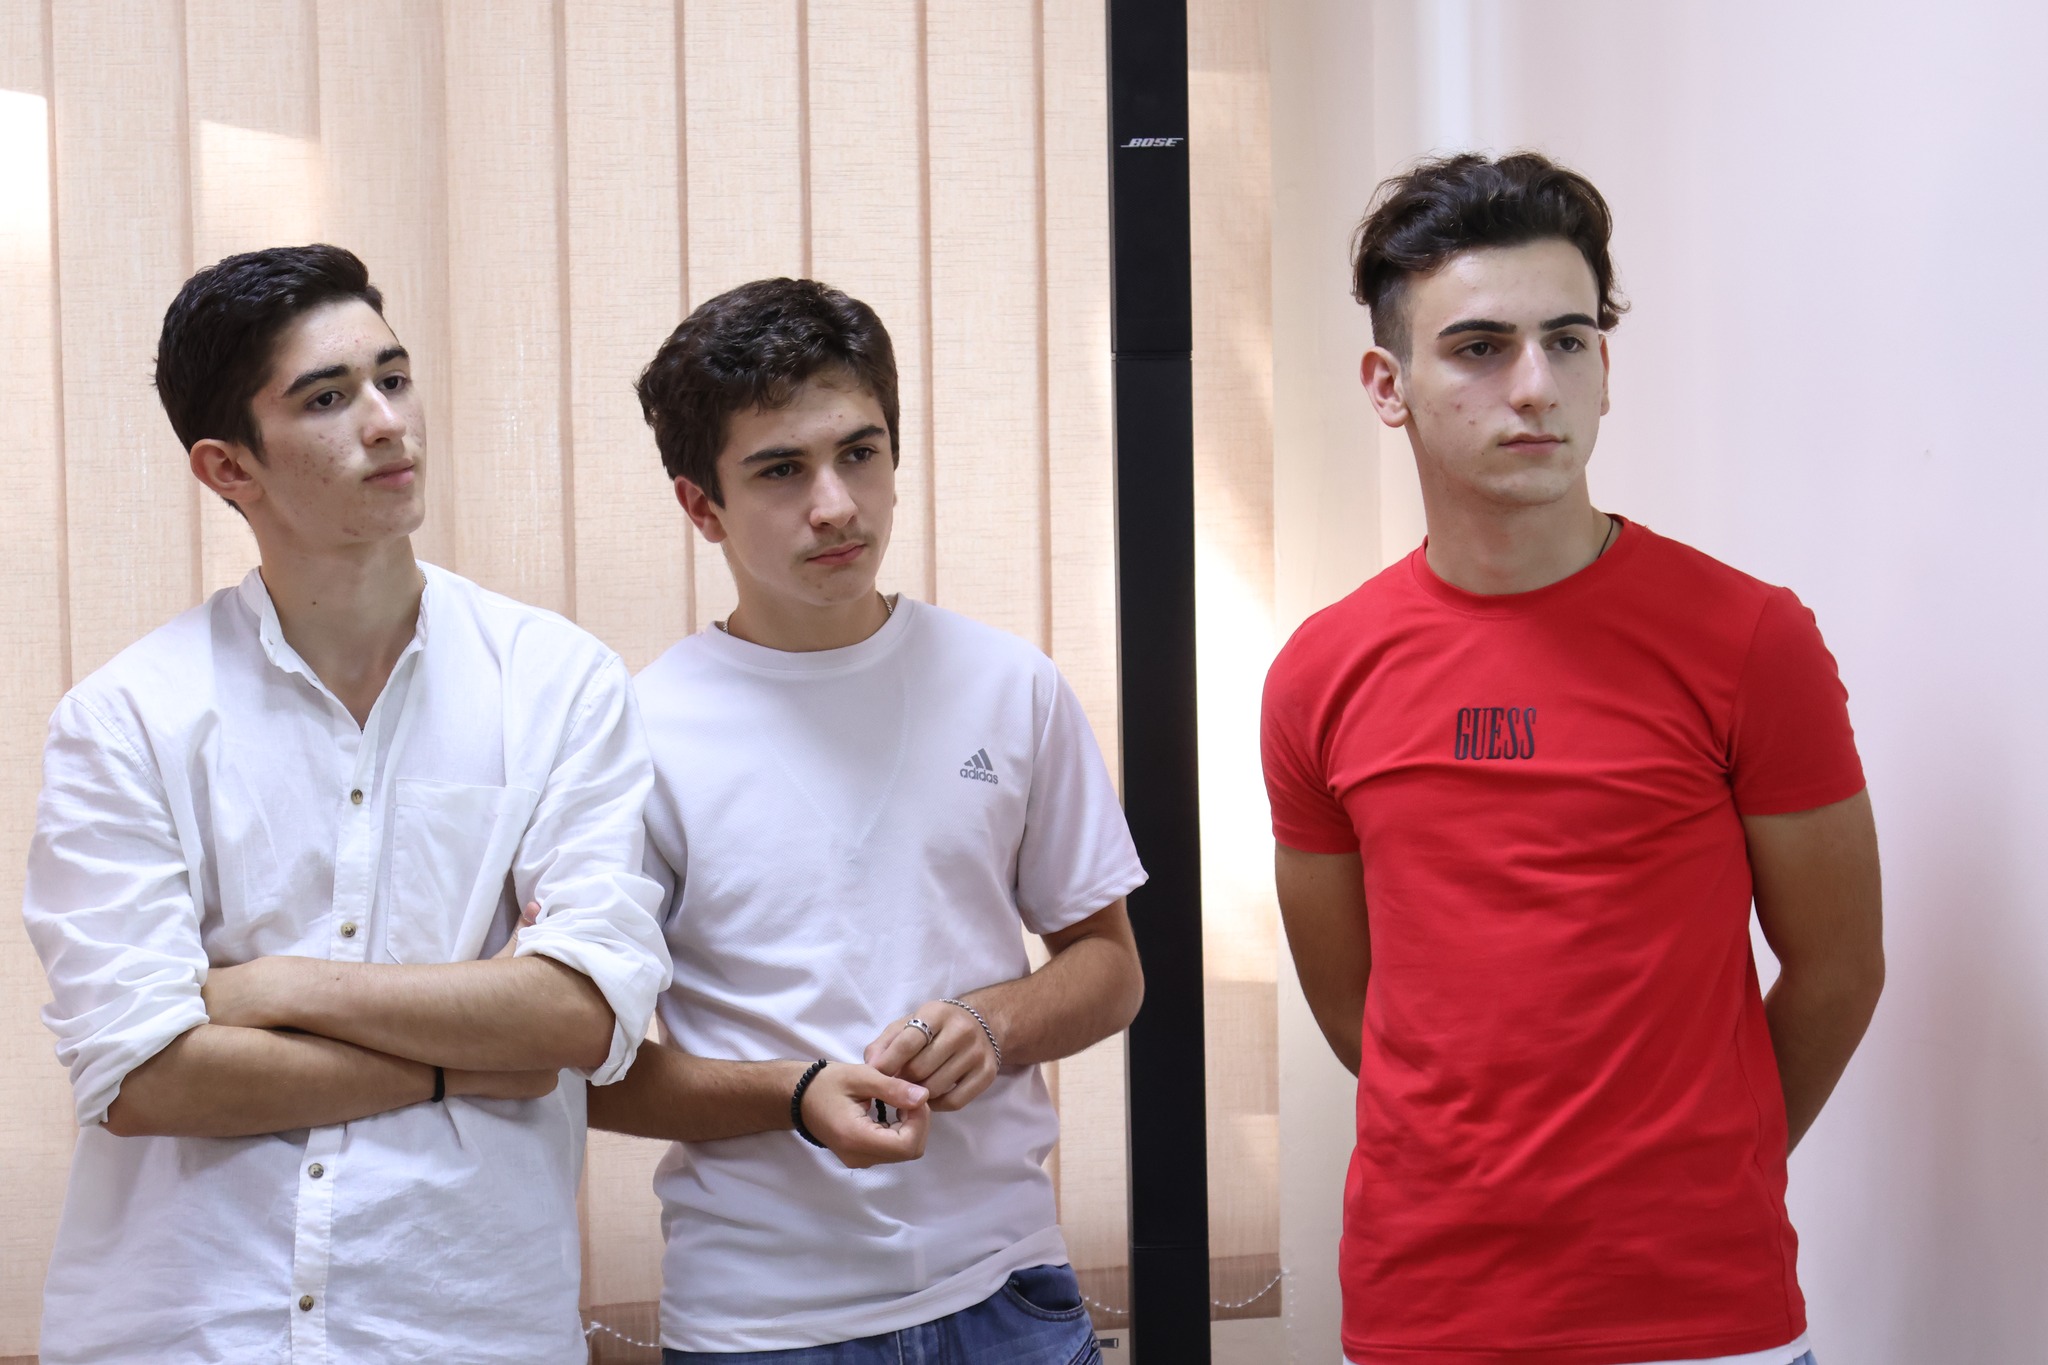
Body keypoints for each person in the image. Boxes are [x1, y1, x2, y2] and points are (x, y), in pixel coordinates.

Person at [1260, 154, 1884, 1365]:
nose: (1534, 386)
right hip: (1427, 1311)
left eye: (1567, 339)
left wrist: (1702, 1170)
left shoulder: (1748, 639)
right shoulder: (1318, 675)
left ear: (1603, 365)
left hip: (1701, 1318)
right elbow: (1359, 1010)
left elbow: (1837, 970)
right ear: (1387, 385)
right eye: (1479, 348)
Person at [22, 244, 671, 1363]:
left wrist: (275, 987)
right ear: (229, 469)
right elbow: (145, 1076)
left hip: (464, 1326)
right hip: (189, 1327)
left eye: (394, 378)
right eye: (327, 398)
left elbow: (580, 1015)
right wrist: (463, 1060)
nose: (386, 422)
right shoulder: (126, 717)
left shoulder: (558, 682)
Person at [592, 276, 1146, 1364]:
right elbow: (584, 1070)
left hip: (1011, 1295)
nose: (837, 504)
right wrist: (794, 1096)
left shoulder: (1009, 685)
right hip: (764, 1326)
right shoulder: (635, 734)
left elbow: (1110, 968)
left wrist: (994, 1023)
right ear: (700, 506)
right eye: (780, 470)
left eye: (860, 453)